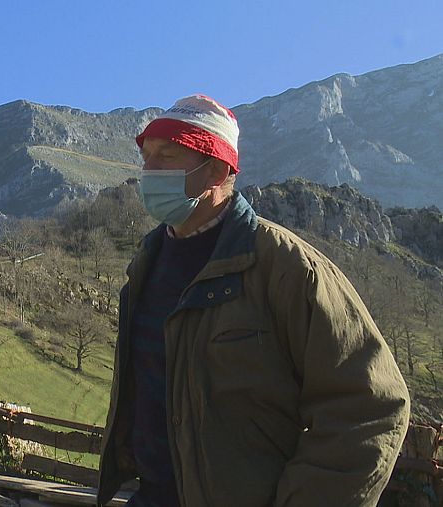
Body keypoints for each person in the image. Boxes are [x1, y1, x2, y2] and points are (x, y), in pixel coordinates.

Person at [97, 95, 410, 507]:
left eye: (166, 158)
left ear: (217, 169)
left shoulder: (288, 269)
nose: (148, 172)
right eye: (146, 158)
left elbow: (370, 405)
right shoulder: (144, 266)